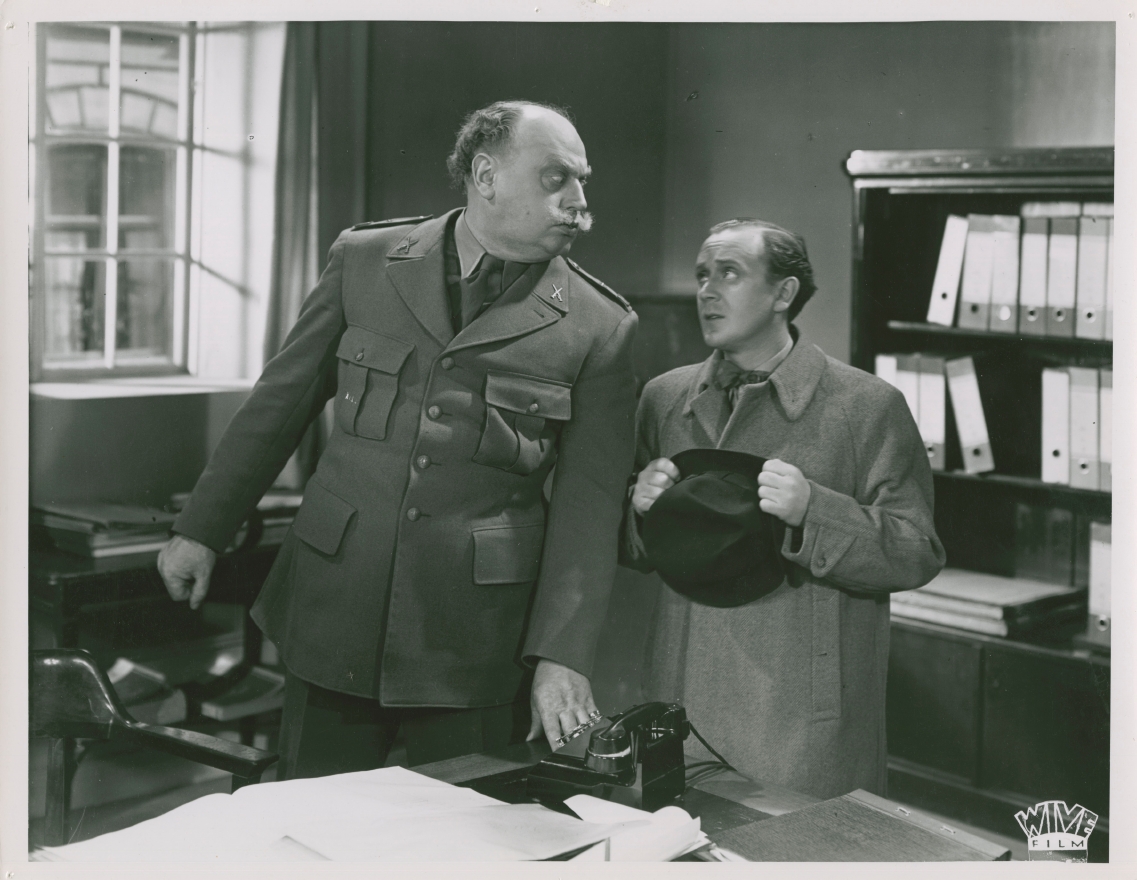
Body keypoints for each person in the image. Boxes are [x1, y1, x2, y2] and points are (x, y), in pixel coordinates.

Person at [158, 101, 639, 778]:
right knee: (314, 819)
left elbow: (590, 507)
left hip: (474, 639)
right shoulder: (365, 260)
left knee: (466, 824)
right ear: (486, 176)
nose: (579, 202)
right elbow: (279, 404)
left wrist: (561, 654)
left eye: (582, 181)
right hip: (336, 606)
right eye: (556, 178)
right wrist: (203, 528)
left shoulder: (599, 324)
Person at [621, 218, 945, 799]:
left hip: (798, 718)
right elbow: (633, 549)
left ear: (783, 293)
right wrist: (639, 508)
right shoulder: (664, 399)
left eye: (729, 273)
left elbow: (916, 550)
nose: (707, 291)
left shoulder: (866, 406)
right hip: (681, 697)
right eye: (702, 275)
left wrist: (814, 510)